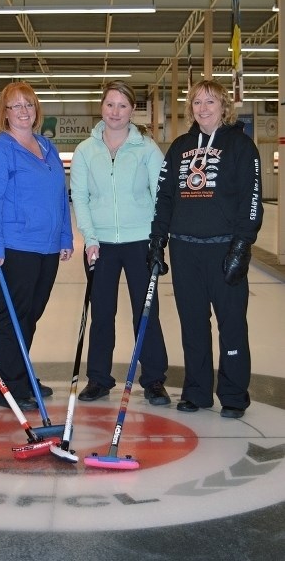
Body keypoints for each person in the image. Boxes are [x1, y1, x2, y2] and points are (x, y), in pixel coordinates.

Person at [148, 79, 264, 419]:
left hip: (224, 249)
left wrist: (242, 246)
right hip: (185, 251)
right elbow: (165, 198)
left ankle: (233, 393)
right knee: (193, 324)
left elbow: (251, 200)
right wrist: (158, 241)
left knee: (231, 324)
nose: (203, 108)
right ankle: (197, 391)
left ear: (224, 106)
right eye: (197, 102)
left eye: (210, 101)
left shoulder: (241, 146)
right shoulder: (180, 146)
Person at [70, 80, 170, 405]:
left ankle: (154, 380)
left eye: (122, 105)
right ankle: (99, 379)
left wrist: (157, 238)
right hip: (101, 245)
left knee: (146, 312)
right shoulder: (86, 150)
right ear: (102, 107)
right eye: (110, 104)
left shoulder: (146, 149)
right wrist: (90, 238)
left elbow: (162, 195)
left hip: (140, 241)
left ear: (132, 110)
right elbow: (80, 198)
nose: (115, 112)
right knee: (102, 313)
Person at [0, 82, 73, 412]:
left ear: (36, 110)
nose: (23, 111)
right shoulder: (0, 150)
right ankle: (7, 387)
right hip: (12, 246)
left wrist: (65, 236)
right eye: (15, 106)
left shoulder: (46, 146)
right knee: (11, 317)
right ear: (4, 114)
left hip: (45, 248)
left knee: (30, 316)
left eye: (28, 105)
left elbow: (60, 196)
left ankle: (21, 376)